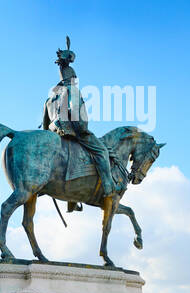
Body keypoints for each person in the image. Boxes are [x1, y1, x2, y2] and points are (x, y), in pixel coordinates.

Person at [40, 37, 122, 206]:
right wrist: (83, 129)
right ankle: (108, 187)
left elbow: (44, 123)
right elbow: (78, 117)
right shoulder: (73, 91)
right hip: (72, 131)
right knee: (101, 151)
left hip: (55, 134)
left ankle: (72, 201)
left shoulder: (51, 97)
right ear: (73, 78)